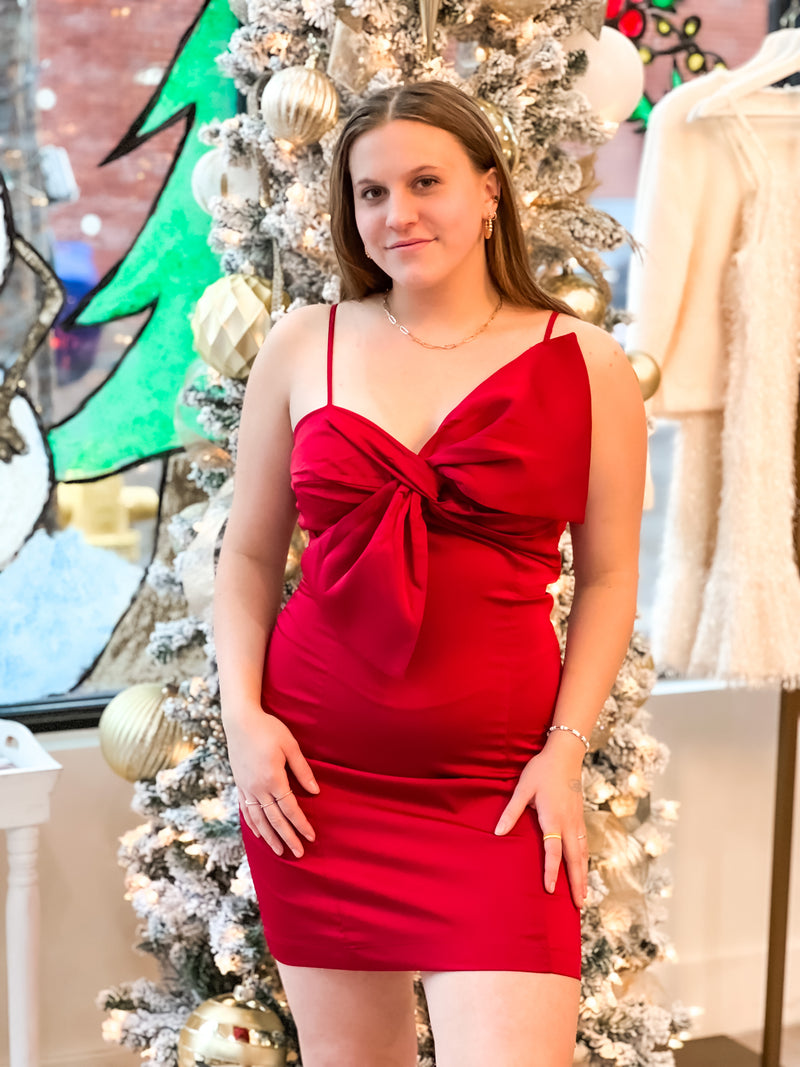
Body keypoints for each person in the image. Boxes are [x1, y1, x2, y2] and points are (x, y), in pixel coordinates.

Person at [213, 80, 647, 1067]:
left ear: (488, 190)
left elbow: (609, 577)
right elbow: (248, 553)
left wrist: (565, 752)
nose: (396, 213)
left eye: (424, 182)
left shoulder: (586, 363)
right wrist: (244, 717)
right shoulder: (304, 342)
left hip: (498, 794)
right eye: (370, 192)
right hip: (316, 786)